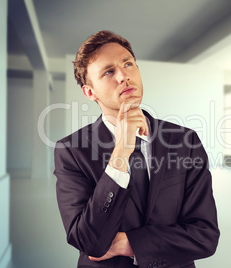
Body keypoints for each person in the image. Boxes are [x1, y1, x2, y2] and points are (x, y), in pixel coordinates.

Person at [54, 30, 219, 268]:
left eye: (128, 64)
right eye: (109, 71)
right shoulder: (71, 151)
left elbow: (205, 236)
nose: (123, 76)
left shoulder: (185, 141)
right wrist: (121, 152)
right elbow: (87, 241)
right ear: (90, 92)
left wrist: (130, 243)